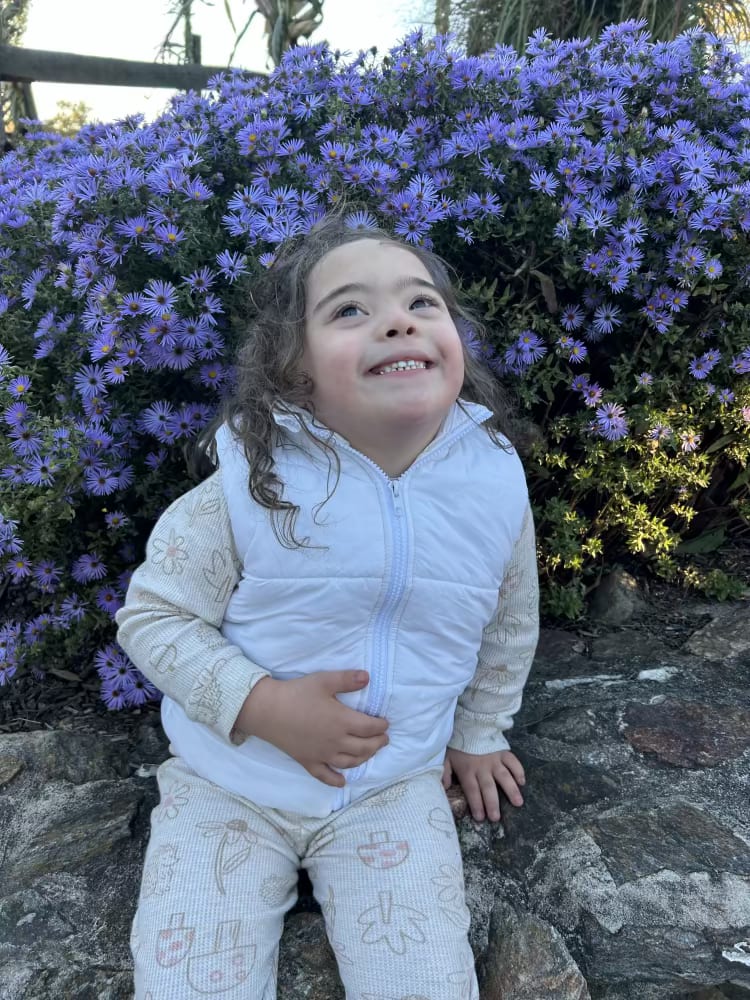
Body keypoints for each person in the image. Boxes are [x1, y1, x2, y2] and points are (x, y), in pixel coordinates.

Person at [116, 215, 539, 1000]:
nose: (397, 321)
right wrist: (263, 705)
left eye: (422, 302)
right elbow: (153, 617)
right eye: (349, 309)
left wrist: (479, 734)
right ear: (294, 368)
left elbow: (508, 618)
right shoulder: (252, 481)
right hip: (228, 785)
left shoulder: (490, 481)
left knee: (425, 983)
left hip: (393, 788)